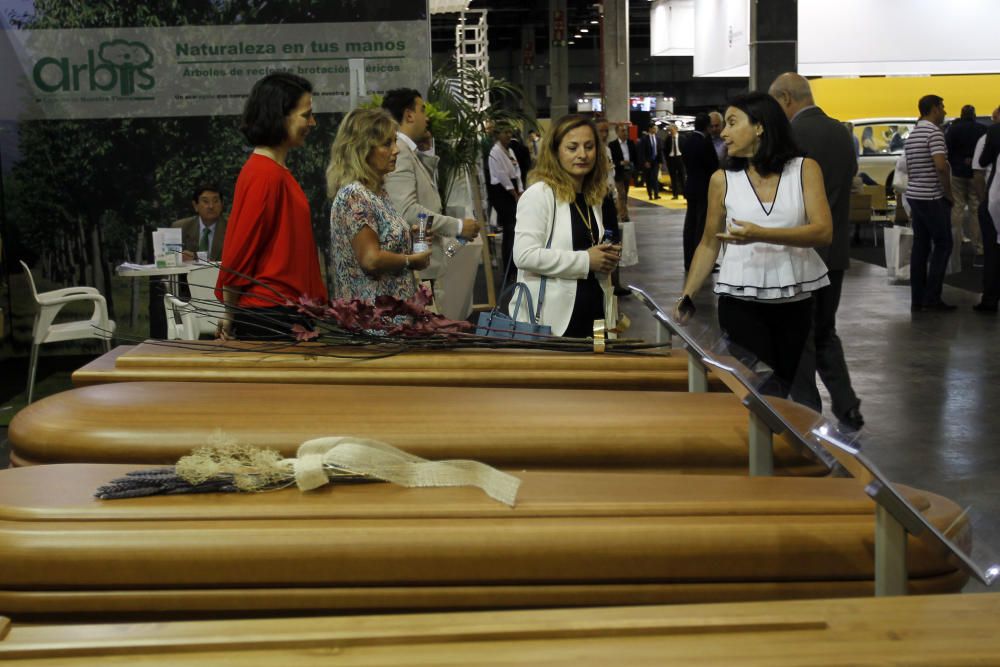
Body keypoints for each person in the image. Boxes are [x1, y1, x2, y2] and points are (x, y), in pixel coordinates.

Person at [675, 92, 832, 397]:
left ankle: (778, 443)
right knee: (754, 389)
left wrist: (760, 234)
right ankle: (756, 444)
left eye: (732, 123)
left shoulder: (804, 169)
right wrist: (687, 295)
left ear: (759, 127)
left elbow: (823, 232)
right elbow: (709, 243)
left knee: (783, 388)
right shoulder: (722, 180)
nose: (723, 132)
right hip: (740, 302)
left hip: (795, 301)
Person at [769, 72, 864, 430]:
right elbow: (850, 180)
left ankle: (806, 413)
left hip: (800, 254)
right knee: (825, 330)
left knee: (798, 337)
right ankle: (847, 406)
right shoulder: (842, 133)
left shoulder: (790, 137)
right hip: (834, 252)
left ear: (786, 99)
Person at [215, 72, 327, 341]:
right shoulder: (264, 174)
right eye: (306, 114)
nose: (312, 122)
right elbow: (239, 252)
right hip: (272, 316)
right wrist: (229, 316)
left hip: (286, 312)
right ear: (280, 116)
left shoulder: (274, 171)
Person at [511, 114, 621, 337]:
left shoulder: (593, 196)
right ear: (555, 151)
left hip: (594, 316)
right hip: (551, 322)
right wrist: (586, 260)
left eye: (589, 147)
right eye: (572, 147)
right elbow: (524, 256)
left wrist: (606, 258)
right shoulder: (540, 195)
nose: (582, 155)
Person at [326, 109, 432, 303]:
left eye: (394, 141)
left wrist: (411, 241)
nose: (396, 150)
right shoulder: (354, 195)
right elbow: (371, 260)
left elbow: (384, 247)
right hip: (374, 323)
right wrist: (410, 260)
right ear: (361, 149)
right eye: (386, 143)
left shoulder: (377, 193)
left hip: (393, 319)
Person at [381, 88, 479, 290]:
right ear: (409, 115)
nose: (427, 118)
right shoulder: (401, 151)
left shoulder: (408, 151)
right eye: (422, 111)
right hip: (417, 266)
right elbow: (406, 210)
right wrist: (458, 227)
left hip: (424, 264)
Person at [904, 94, 955, 312]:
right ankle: (932, 297)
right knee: (944, 244)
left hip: (914, 195)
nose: (944, 111)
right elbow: (941, 166)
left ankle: (918, 297)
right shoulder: (934, 133)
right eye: (942, 107)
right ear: (934, 109)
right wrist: (948, 193)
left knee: (921, 247)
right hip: (932, 197)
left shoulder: (913, 133)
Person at [946, 104, 987, 260]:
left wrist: (959, 162)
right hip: (976, 174)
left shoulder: (953, 130)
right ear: (974, 114)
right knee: (975, 209)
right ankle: (978, 247)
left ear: (961, 114)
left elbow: (947, 150)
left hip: (957, 173)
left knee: (957, 208)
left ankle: (954, 245)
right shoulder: (982, 129)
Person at [680, 112, 719, 272]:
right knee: (701, 227)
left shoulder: (687, 141)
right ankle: (701, 262)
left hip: (691, 186)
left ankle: (689, 261)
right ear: (707, 127)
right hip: (704, 188)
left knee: (690, 225)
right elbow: (713, 164)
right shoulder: (705, 142)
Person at [488, 124, 524, 282]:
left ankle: (515, 268)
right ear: (498, 134)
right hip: (502, 192)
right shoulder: (494, 152)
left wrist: (521, 190)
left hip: (513, 190)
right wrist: (514, 193)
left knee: (515, 231)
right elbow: (501, 175)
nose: (509, 135)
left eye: (510, 131)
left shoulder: (510, 151)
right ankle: (509, 271)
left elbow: (517, 172)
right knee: (509, 231)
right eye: (505, 131)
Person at [974, 106, 1000, 312]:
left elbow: (980, 167)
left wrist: (983, 201)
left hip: (994, 202)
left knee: (992, 254)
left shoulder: (990, 136)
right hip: (993, 200)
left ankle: (990, 300)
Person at [173, 183, 228, 261]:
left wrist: (196, 257)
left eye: (215, 201)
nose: (211, 206)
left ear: (222, 204)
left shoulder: (231, 228)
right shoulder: (180, 227)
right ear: (195, 205)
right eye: (205, 201)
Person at [608, 122, 637, 222]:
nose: (625, 133)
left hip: (628, 171)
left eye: (626, 131)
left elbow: (634, 156)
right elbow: (611, 159)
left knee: (625, 194)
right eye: (622, 131)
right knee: (621, 194)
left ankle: (618, 211)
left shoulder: (631, 143)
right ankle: (624, 216)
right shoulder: (612, 145)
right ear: (617, 132)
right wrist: (620, 162)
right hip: (618, 172)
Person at [638, 123, 662, 200]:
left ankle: (656, 194)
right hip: (648, 162)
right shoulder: (644, 139)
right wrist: (645, 162)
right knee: (649, 178)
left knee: (655, 177)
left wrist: (660, 161)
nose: (656, 130)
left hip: (656, 161)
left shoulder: (658, 139)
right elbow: (642, 152)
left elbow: (659, 151)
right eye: (654, 128)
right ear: (650, 129)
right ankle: (650, 194)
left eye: (656, 128)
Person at [664, 122, 686, 199]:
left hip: (680, 159)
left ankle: (685, 194)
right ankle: (675, 194)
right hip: (671, 159)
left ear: (676, 129)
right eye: (670, 130)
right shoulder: (668, 139)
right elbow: (665, 150)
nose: (671, 131)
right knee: (673, 178)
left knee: (682, 177)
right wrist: (667, 160)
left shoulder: (682, 138)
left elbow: (685, 150)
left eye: (672, 130)